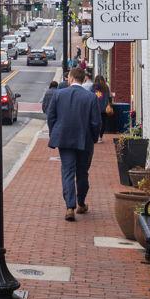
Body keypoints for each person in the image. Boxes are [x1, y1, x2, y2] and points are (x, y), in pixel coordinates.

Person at [42, 67, 106, 220]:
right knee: (82, 173)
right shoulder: (90, 98)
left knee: (68, 172)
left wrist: (55, 134)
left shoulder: (59, 94)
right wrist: (93, 138)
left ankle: (70, 207)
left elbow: (51, 117)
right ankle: (81, 203)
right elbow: (96, 122)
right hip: (84, 141)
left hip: (64, 140)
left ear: (70, 78)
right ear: (84, 79)